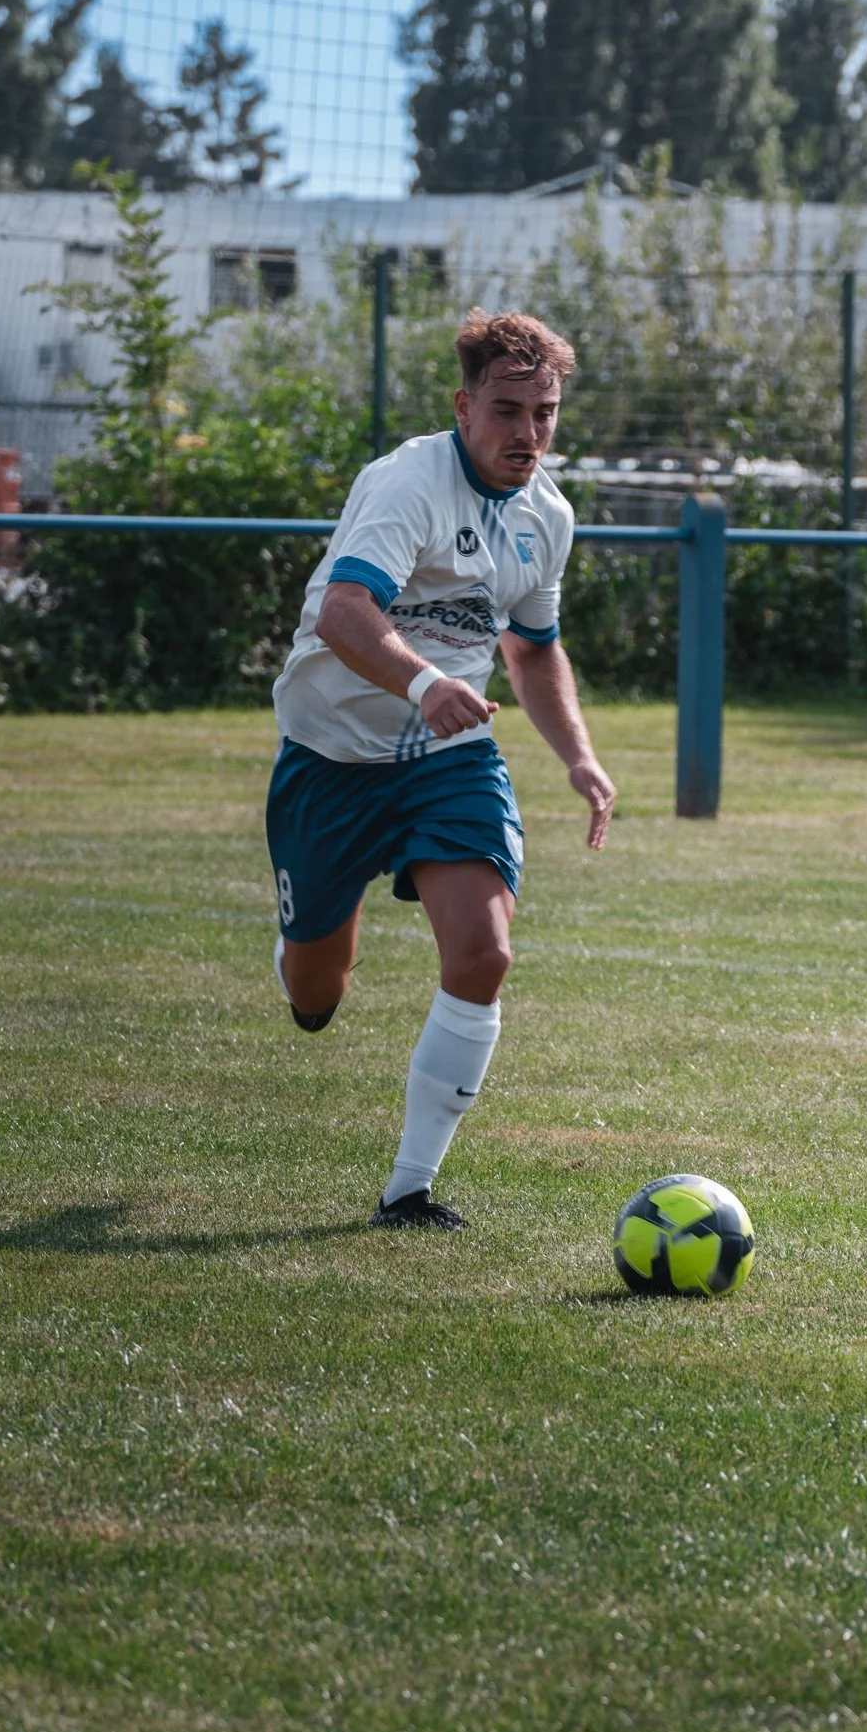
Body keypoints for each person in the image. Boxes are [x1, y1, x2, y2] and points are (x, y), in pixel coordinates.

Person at [267, 307, 616, 1228]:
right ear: (463, 406)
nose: (528, 434)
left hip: (448, 756)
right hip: (330, 754)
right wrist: (425, 683)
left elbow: (533, 649)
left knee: (484, 950)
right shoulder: (405, 484)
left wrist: (578, 758)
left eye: (544, 413)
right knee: (315, 994)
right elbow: (344, 614)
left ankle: (409, 1190)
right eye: (508, 411)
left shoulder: (547, 517)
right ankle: (306, 945)